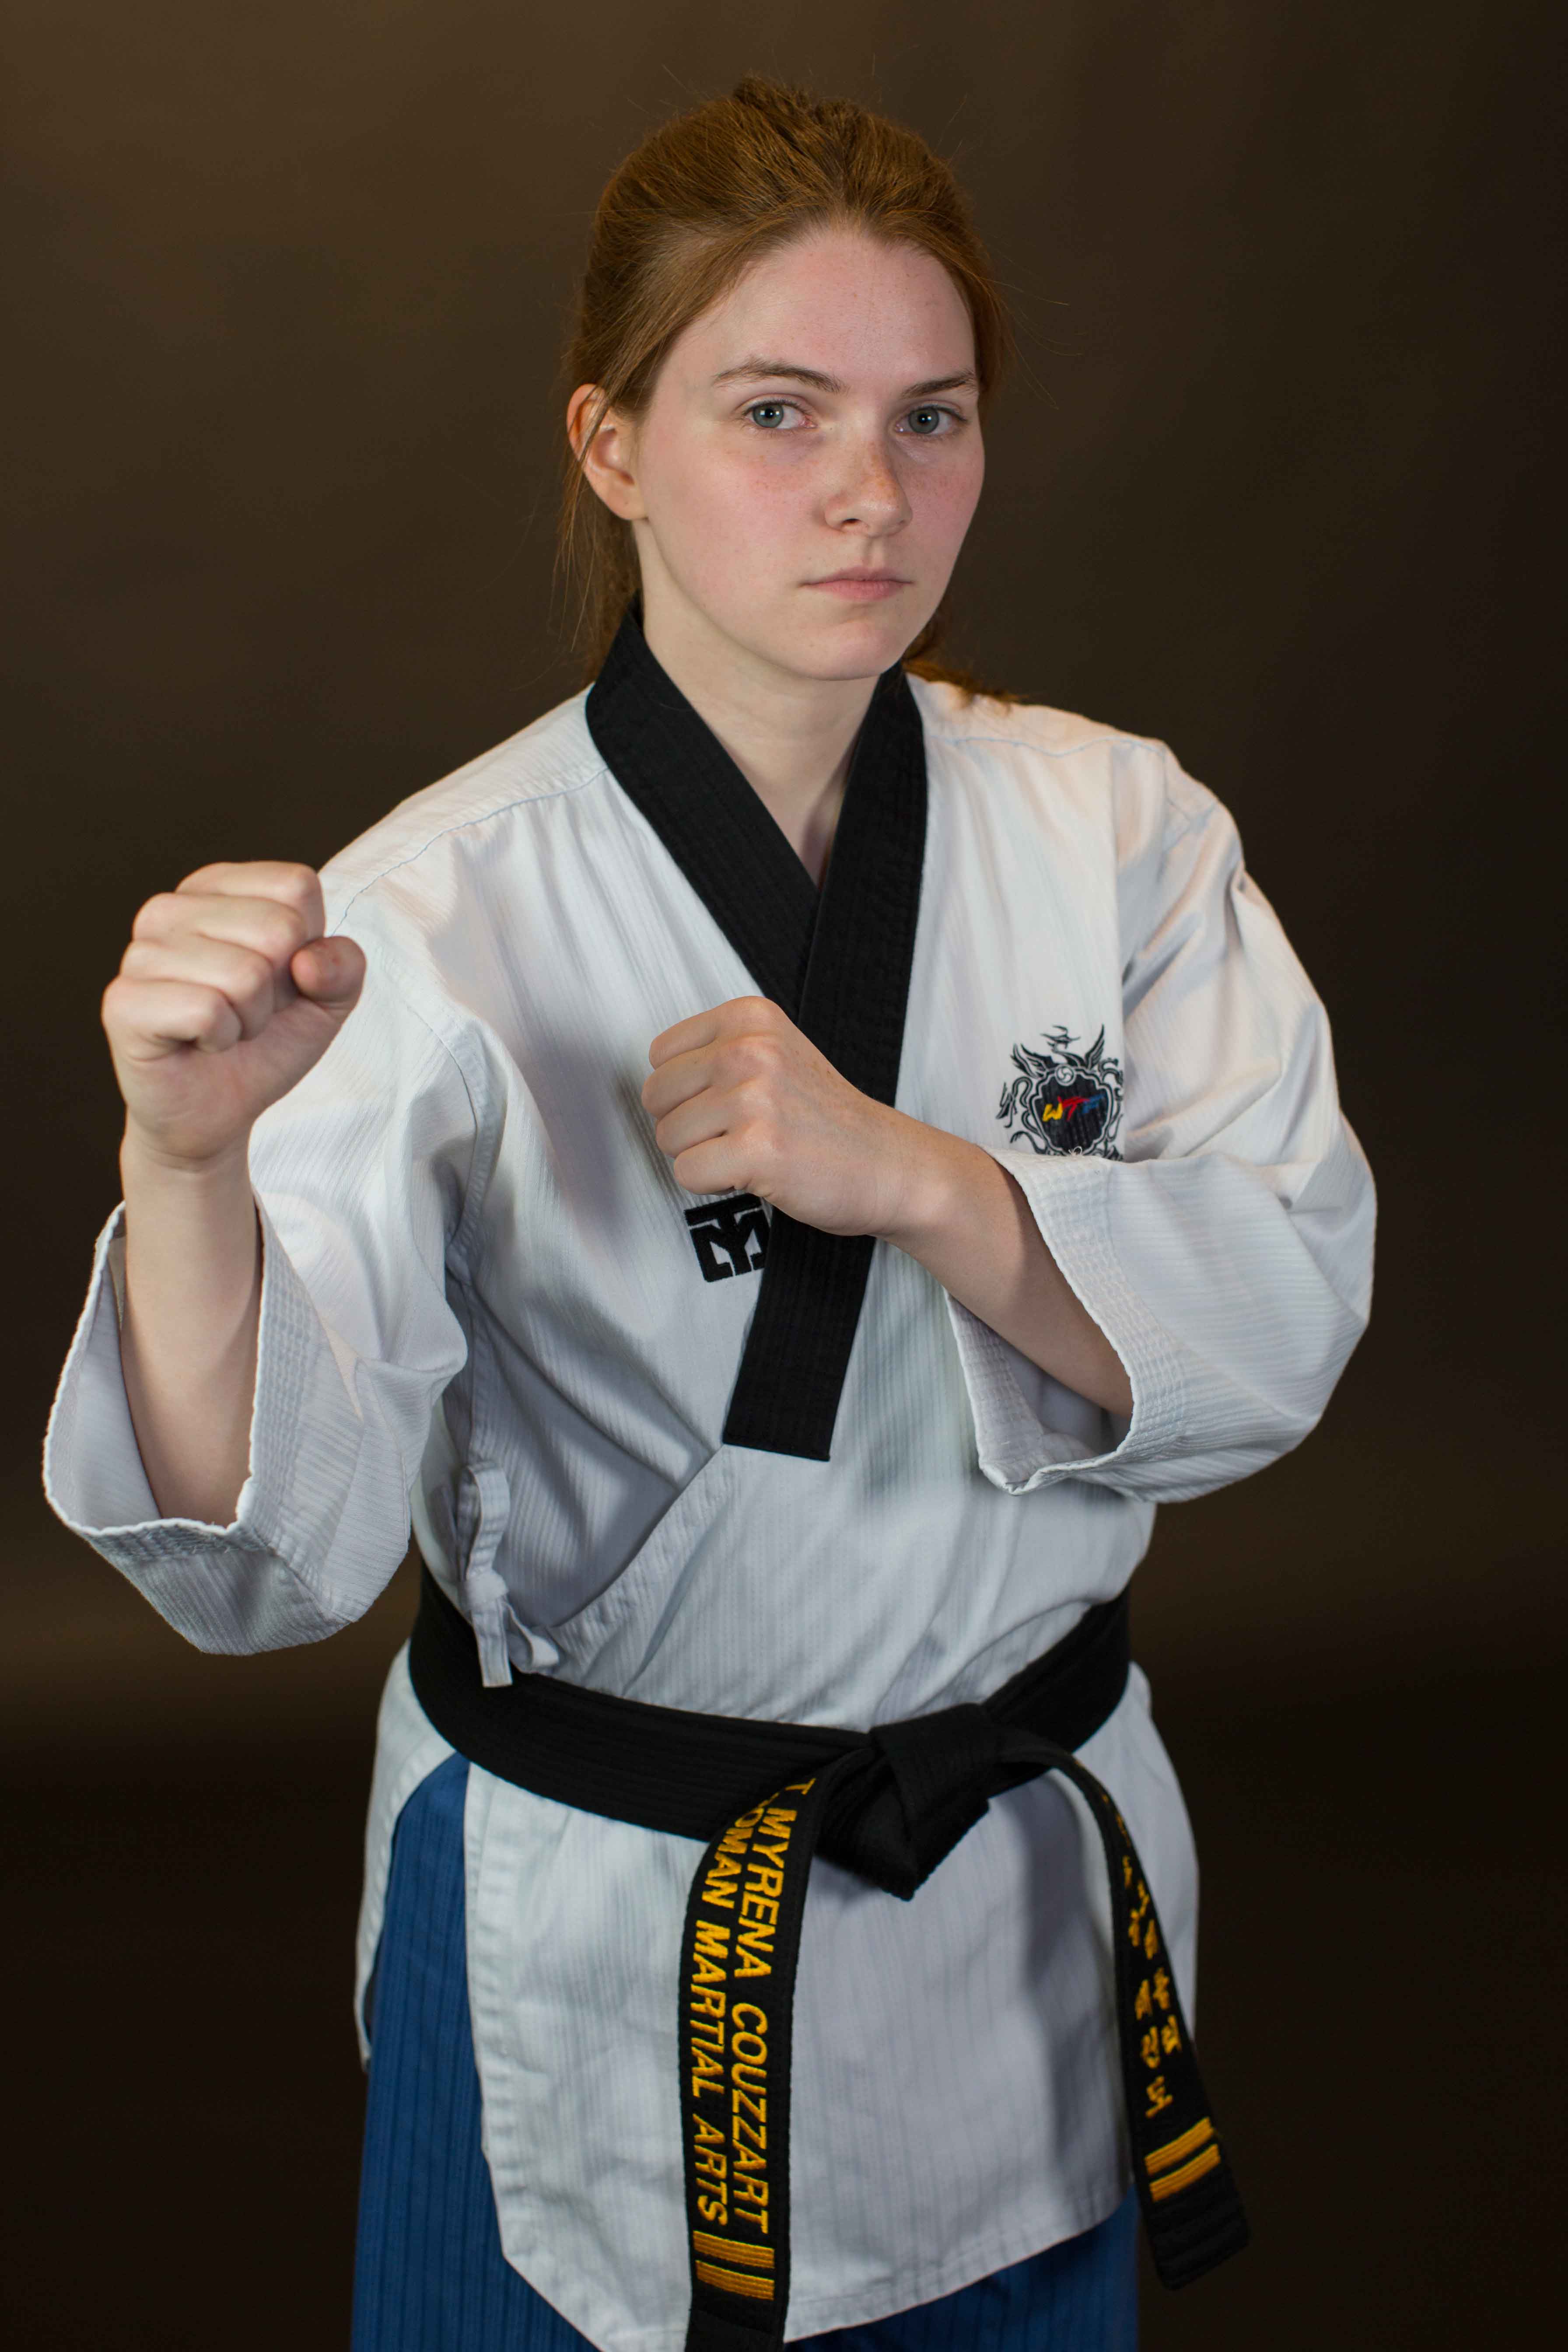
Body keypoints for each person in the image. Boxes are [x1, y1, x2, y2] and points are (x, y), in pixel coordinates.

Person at [43, 74, 1375, 2352]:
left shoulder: (1118, 830)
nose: (873, 489)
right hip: (625, 1925)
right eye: (780, 409)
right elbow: (267, 1563)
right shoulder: (433, 913)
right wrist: (186, 1168)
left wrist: (930, 1184)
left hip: (1010, 1895)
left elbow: (1286, 1308)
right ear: (610, 444)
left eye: (932, 415)